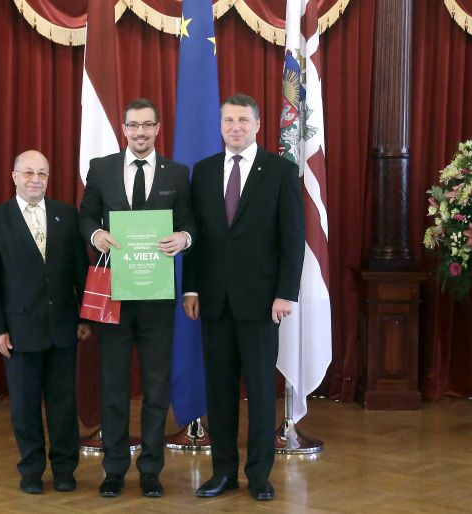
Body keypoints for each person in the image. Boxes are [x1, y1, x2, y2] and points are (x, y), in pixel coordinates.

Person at [183, 94, 304, 502]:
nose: (235, 127)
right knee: (219, 392)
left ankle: (259, 475)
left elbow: (293, 238)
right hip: (213, 301)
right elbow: (196, 237)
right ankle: (223, 472)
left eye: (243, 120)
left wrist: (285, 293)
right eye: (229, 120)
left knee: (261, 391)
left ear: (257, 124)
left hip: (262, 302)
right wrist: (192, 288)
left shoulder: (281, 171)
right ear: (220, 126)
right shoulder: (202, 171)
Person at [79, 98, 194, 498]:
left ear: (158, 129)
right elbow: (85, 216)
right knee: (112, 385)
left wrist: (184, 238)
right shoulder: (101, 169)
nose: (140, 132)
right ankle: (113, 469)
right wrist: (96, 234)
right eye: (133, 125)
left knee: (156, 388)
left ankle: (150, 470)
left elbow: (190, 223)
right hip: (114, 296)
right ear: (124, 129)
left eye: (147, 125)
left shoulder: (177, 174)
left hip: (157, 298)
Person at [0, 150, 91, 495]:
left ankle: (65, 469)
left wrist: (85, 317)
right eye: (28, 172)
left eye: (42, 173)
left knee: (63, 405)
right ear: (14, 177)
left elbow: (80, 271)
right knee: (25, 407)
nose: (35, 179)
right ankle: (31, 470)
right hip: (19, 331)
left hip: (64, 328)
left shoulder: (66, 216)